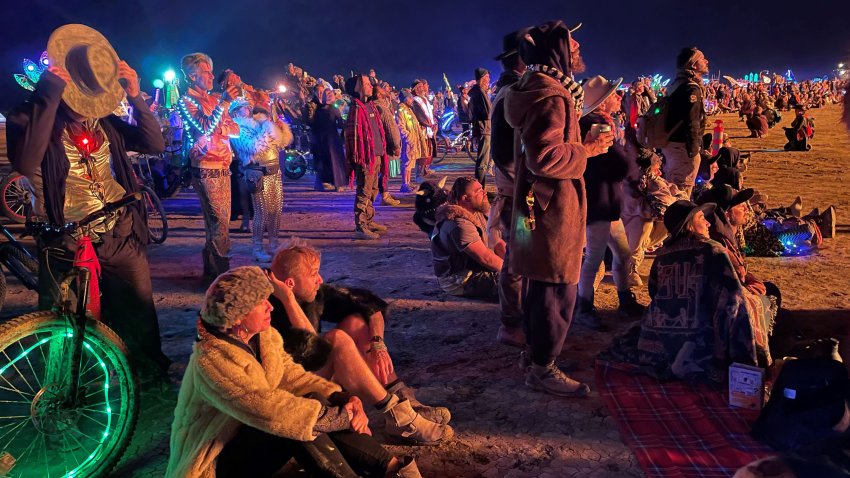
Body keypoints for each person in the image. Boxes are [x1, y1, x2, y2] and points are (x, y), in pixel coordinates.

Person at [6, 24, 170, 381]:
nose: (87, 107)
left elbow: (153, 144)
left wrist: (137, 96)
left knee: (137, 310)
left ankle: (145, 373)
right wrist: (49, 94)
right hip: (66, 237)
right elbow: (26, 162)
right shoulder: (29, 114)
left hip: (118, 230)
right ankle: (69, 388)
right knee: (68, 321)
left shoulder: (105, 122)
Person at [165, 266, 422, 477]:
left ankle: (389, 466)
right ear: (238, 316)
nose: (271, 307)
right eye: (261, 303)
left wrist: (342, 398)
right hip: (214, 458)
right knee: (292, 422)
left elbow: (291, 374)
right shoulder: (212, 360)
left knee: (309, 405)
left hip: (248, 431)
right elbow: (266, 408)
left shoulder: (263, 337)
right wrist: (341, 417)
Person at [504, 20, 613, 397]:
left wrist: (579, 140)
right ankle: (542, 368)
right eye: (571, 41)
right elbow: (545, 158)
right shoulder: (552, 95)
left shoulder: (543, 88)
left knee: (541, 285)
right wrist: (589, 150)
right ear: (557, 51)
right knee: (557, 290)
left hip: (539, 205)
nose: (579, 45)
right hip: (551, 210)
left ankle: (536, 355)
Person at [267, 243, 454, 445]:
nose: (319, 280)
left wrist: (378, 344)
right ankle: (400, 416)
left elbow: (372, 306)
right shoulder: (265, 306)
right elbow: (314, 349)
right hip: (292, 389)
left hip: (313, 372)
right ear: (289, 284)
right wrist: (287, 300)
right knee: (336, 339)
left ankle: (403, 401)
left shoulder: (313, 293)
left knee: (356, 322)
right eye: (313, 274)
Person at [636, 200, 771, 381]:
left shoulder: (662, 254)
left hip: (662, 338)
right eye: (701, 218)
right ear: (689, 224)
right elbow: (733, 297)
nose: (708, 223)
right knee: (760, 303)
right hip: (703, 339)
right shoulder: (712, 249)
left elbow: (654, 292)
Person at [575, 75, 645, 330]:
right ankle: (584, 307)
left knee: (621, 253)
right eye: (614, 95)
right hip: (599, 202)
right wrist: (627, 148)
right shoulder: (597, 126)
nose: (619, 98)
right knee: (594, 258)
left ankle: (625, 300)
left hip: (605, 201)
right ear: (602, 103)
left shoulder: (598, 123)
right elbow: (619, 165)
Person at [179, 52, 241, 282]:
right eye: (207, 72)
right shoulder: (186, 101)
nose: (212, 75)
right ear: (193, 75)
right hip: (205, 168)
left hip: (223, 165)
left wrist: (221, 125)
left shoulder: (214, 99)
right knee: (220, 223)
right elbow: (204, 127)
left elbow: (235, 128)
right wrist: (224, 105)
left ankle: (211, 272)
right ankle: (222, 275)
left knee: (215, 223)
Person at [489, 28, 529, 347]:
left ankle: (516, 318)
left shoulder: (506, 90)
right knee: (517, 259)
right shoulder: (511, 93)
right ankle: (510, 323)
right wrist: (524, 183)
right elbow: (506, 151)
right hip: (516, 193)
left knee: (521, 257)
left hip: (514, 190)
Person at [229, 97, 293, 262]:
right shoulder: (236, 128)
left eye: (249, 106)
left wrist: (280, 129)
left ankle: (273, 244)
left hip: (274, 170)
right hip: (257, 172)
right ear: (235, 112)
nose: (249, 109)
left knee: (275, 211)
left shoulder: (258, 123)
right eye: (244, 107)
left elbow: (282, 143)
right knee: (261, 213)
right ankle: (257, 248)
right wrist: (268, 127)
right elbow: (253, 147)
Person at [431, 176, 502, 300]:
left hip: (476, 268)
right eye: (479, 191)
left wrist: (518, 264)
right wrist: (513, 271)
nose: (484, 192)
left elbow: (497, 243)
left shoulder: (477, 212)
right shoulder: (459, 224)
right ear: (465, 198)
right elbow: (486, 258)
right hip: (460, 280)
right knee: (521, 286)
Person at [344, 74, 388, 240]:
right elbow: (354, 137)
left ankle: (368, 220)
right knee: (364, 191)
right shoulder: (356, 108)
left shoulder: (370, 106)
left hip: (376, 155)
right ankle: (360, 225)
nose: (371, 86)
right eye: (367, 84)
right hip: (365, 158)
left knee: (372, 191)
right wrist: (360, 159)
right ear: (358, 88)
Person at [662, 47, 708, 196]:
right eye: (702, 59)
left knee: (673, 185)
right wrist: (694, 151)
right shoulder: (690, 88)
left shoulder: (677, 84)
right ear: (693, 65)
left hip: (672, 144)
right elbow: (692, 121)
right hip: (683, 147)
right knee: (681, 190)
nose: (706, 61)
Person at [310, 89, 349, 191]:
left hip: (329, 139)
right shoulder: (322, 110)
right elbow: (315, 126)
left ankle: (334, 183)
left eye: (331, 94)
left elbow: (340, 124)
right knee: (329, 161)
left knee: (332, 161)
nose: (330, 96)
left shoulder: (327, 109)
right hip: (326, 140)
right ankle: (331, 183)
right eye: (328, 94)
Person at [371, 80, 402, 206]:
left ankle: (385, 193)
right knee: (385, 171)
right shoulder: (381, 108)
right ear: (378, 94)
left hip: (381, 144)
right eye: (382, 89)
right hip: (386, 145)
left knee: (383, 171)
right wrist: (396, 144)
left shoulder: (377, 106)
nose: (386, 90)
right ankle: (384, 196)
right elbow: (390, 128)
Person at [396, 91, 428, 193]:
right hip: (407, 142)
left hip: (412, 141)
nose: (412, 100)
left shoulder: (408, 109)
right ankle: (404, 184)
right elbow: (400, 126)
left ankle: (408, 182)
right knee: (406, 162)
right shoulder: (401, 110)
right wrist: (409, 138)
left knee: (410, 162)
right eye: (410, 98)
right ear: (406, 99)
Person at [469, 67, 492, 185]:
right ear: (482, 78)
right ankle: (480, 188)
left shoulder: (478, 91)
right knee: (483, 162)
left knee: (483, 161)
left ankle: (480, 187)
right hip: (484, 128)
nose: (489, 80)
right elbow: (488, 112)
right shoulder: (480, 92)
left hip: (483, 128)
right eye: (487, 77)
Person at [411, 79, 435, 178]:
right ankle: (419, 174)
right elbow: (420, 115)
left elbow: (429, 113)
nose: (422, 88)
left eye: (422, 86)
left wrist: (434, 122)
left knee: (428, 151)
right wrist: (429, 124)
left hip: (428, 129)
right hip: (422, 130)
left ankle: (425, 170)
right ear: (415, 89)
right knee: (422, 152)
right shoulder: (415, 100)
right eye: (420, 87)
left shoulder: (424, 98)